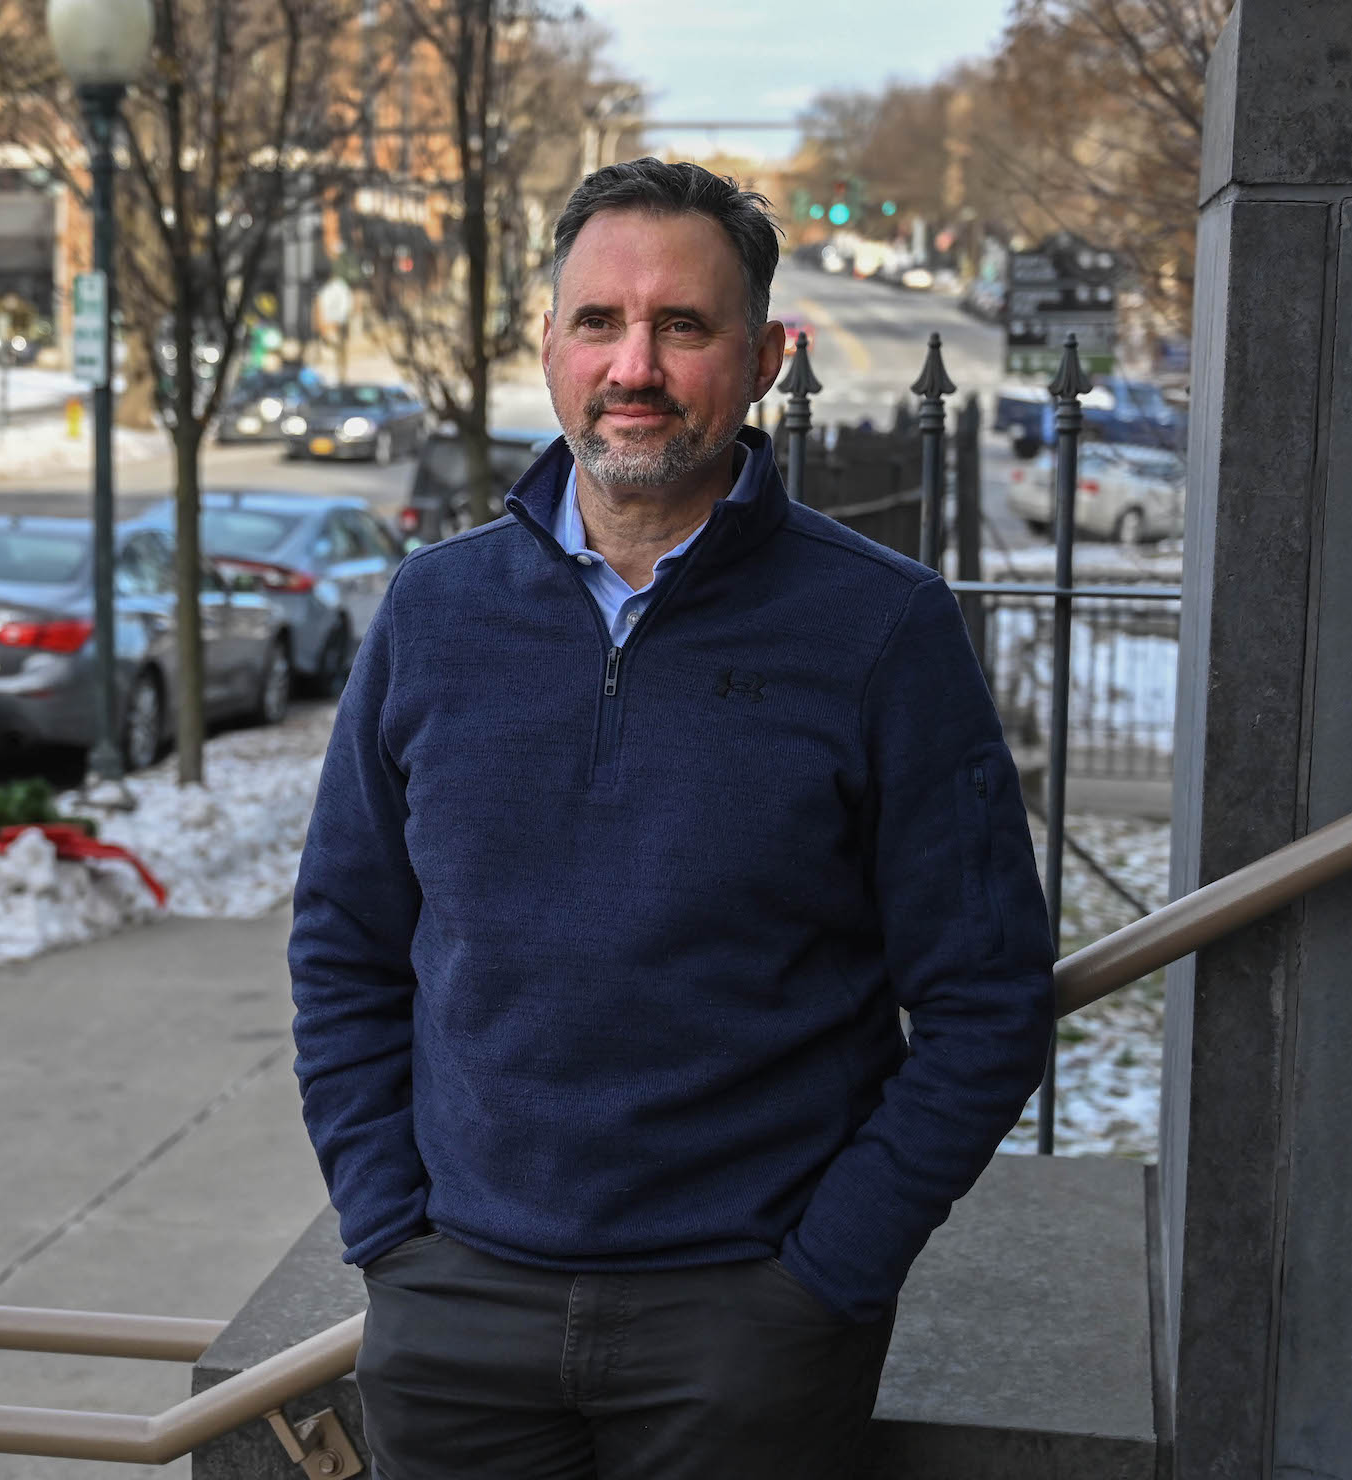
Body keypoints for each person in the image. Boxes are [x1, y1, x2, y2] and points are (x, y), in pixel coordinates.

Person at [289, 158, 1055, 1479]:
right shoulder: (435, 613)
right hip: (459, 1309)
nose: (632, 364)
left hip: (748, 1328)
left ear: (763, 358)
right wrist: (390, 1232)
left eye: (681, 327)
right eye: (599, 322)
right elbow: (344, 943)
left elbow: (987, 1001)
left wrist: (826, 1272)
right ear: (549, 347)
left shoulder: (881, 630)